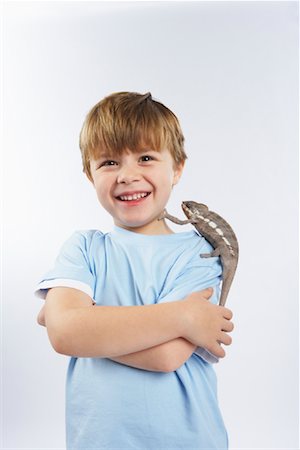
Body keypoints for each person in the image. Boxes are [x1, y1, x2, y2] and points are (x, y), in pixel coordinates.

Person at [35, 91, 234, 449]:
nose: (128, 175)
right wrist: (183, 316)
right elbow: (64, 335)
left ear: (177, 168)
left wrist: (83, 322)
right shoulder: (84, 247)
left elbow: (166, 356)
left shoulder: (198, 253)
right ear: (89, 174)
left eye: (146, 157)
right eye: (109, 162)